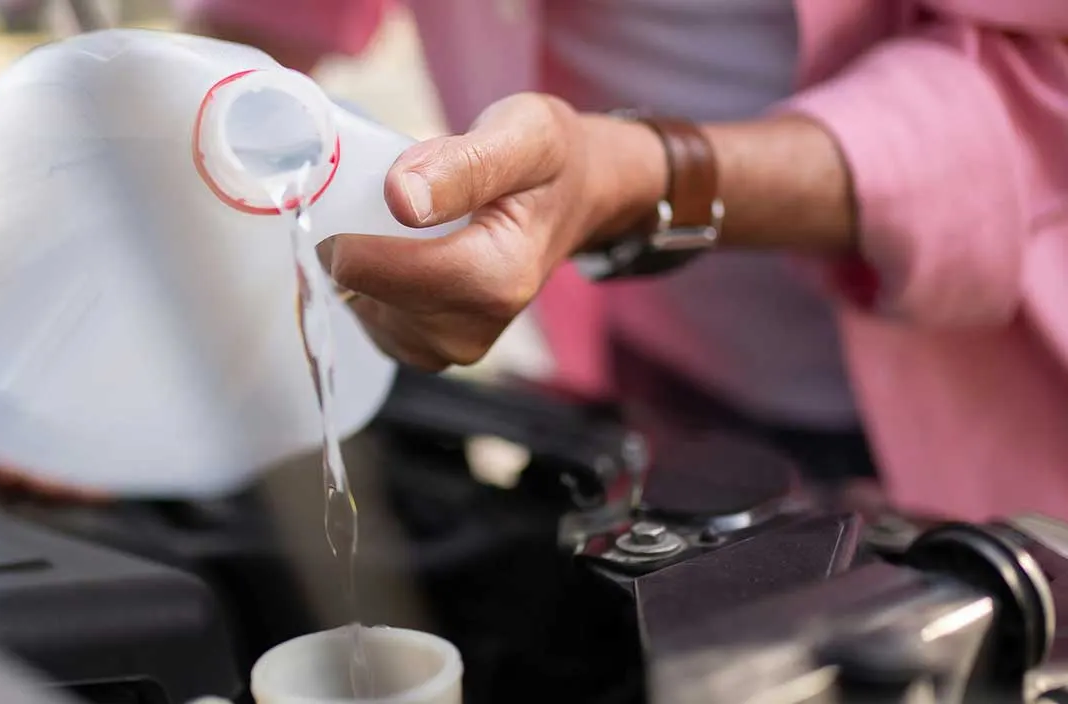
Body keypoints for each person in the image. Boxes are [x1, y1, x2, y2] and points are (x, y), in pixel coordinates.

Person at [176, 0, 1068, 522]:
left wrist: (640, 178)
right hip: (648, 370)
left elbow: (1039, 80)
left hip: (996, 406)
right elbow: (264, 29)